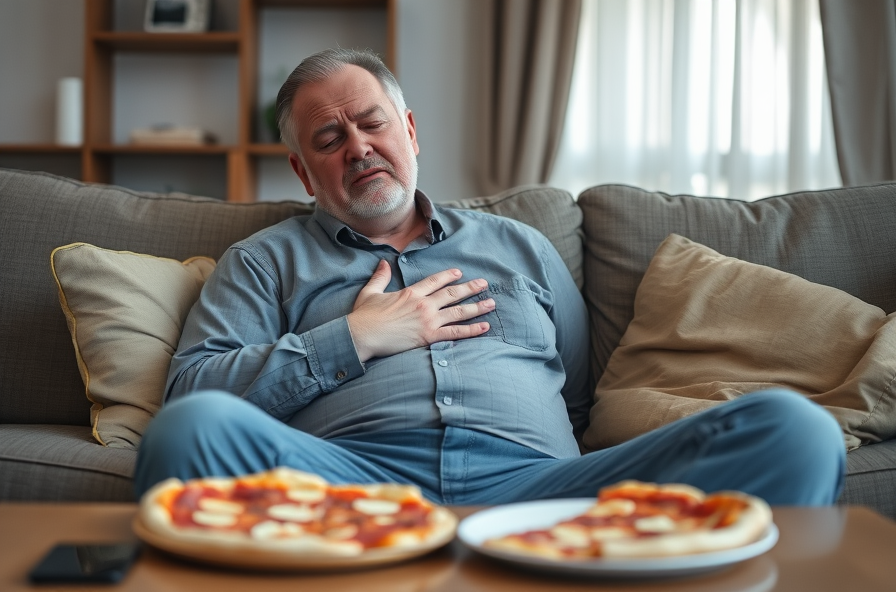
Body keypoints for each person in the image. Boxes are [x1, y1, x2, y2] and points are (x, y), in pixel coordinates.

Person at [134, 48, 844, 506]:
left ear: (409, 131)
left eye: (372, 125)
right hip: (349, 487)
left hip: (541, 488)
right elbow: (190, 390)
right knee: (192, 430)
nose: (358, 148)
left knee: (794, 430)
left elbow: (577, 394)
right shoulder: (264, 261)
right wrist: (353, 338)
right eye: (329, 138)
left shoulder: (521, 246)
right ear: (301, 170)